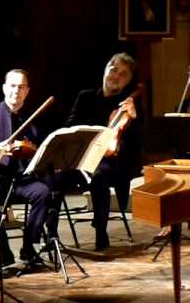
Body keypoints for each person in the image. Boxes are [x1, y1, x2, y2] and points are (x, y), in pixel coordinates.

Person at [0, 69, 52, 274]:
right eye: (13, 86)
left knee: (43, 192)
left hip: (22, 180)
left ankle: (29, 246)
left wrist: (32, 151)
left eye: (21, 87)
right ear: (4, 88)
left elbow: (43, 151)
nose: (16, 90)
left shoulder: (33, 117)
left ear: (27, 91)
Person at [63, 52, 142, 250]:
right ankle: (49, 236)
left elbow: (137, 143)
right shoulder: (85, 97)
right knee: (51, 176)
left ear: (128, 82)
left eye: (123, 74)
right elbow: (69, 127)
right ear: (106, 68)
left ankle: (101, 232)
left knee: (100, 174)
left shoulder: (128, 106)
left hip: (114, 165)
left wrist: (134, 119)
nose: (116, 75)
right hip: (81, 159)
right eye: (114, 69)